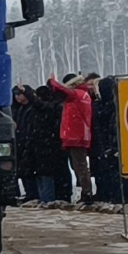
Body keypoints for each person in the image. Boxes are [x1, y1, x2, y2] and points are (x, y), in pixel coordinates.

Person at [49, 73, 95, 204]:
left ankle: (87, 194)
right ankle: (86, 192)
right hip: (81, 133)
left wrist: (53, 82)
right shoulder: (84, 95)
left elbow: (63, 90)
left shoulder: (76, 94)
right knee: (80, 166)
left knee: (79, 166)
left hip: (75, 135)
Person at [30, 85, 65, 203]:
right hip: (47, 144)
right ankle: (48, 198)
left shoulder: (47, 108)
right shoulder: (54, 107)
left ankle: (47, 198)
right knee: (46, 173)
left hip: (45, 145)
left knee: (46, 174)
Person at [91, 77, 120, 203]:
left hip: (106, 142)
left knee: (109, 172)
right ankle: (111, 195)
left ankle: (111, 195)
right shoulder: (114, 103)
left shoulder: (103, 106)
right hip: (108, 142)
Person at [12, 85, 38, 202]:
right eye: (15, 95)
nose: (17, 97)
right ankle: (28, 193)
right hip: (20, 140)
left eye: (19, 94)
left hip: (28, 140)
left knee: (28, 169)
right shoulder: (18, 108)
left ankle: (32, 193)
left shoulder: (31, 108)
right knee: (22, 169)